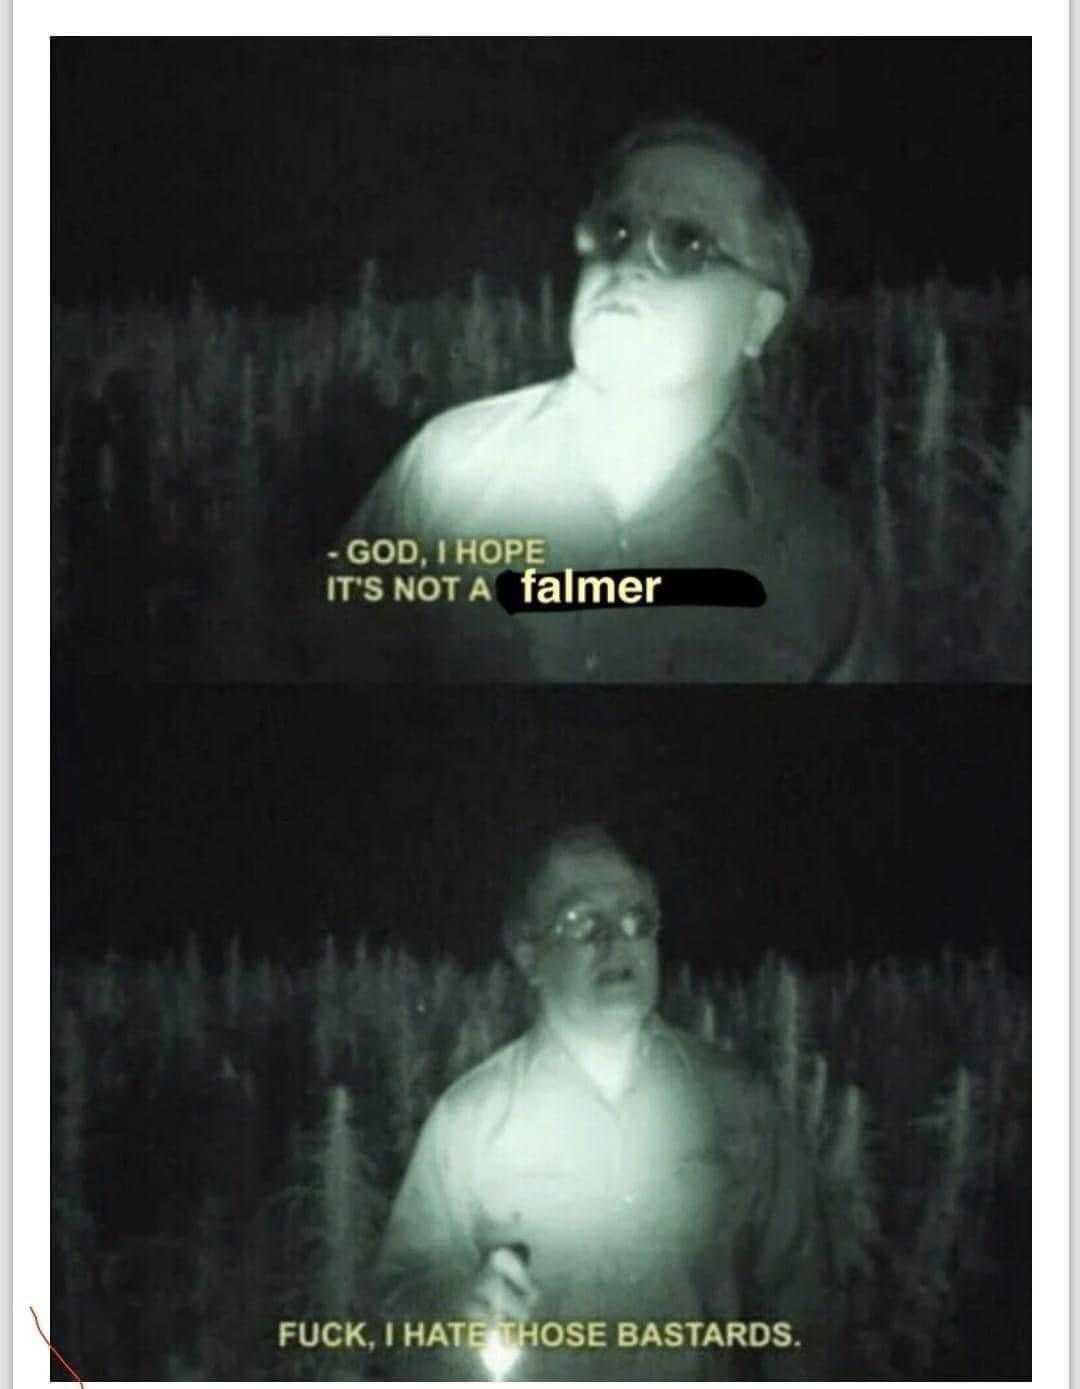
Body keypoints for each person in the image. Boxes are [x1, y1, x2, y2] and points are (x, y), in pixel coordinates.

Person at [325, 117, 892, 683]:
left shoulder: (817, 553)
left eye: (685, 242)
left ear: (758, 320)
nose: (629, 263)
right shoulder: (444, 466)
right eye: (614, 231)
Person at [373, 826, 831, 1381]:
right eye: (583, 923)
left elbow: (805, 1310)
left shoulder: (738, 1104)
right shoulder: (468, 1122)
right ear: (528, 955)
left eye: (637, 920)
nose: (619, 942)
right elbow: (399, 1296)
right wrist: (454, 1309)